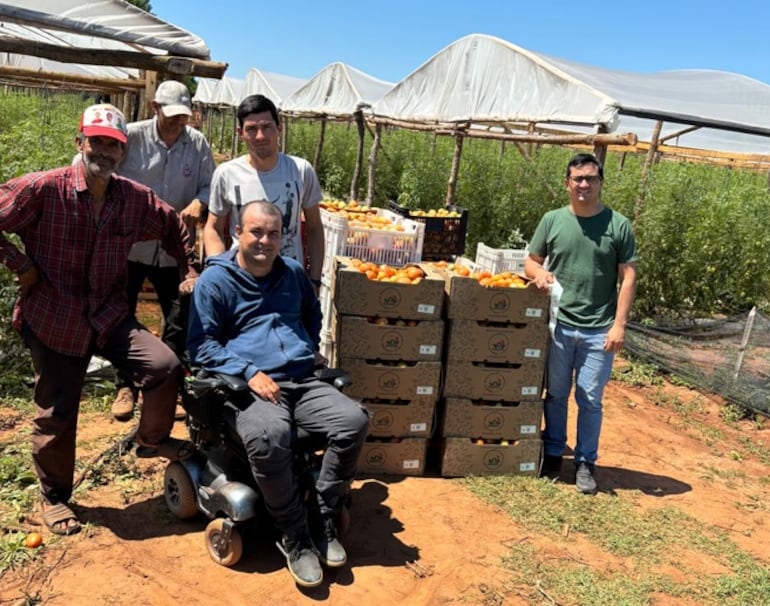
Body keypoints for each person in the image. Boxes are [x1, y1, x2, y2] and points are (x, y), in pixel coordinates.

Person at [0, 103, 198, 535]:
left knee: (164, 367)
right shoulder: (43, 189)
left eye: (114, 145)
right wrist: (20, 264)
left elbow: (174, 225)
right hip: (55, 315)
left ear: (122, 152)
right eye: (97, 142)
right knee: (57, 411)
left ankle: (151, 439)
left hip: (108, 314)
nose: (104, 151)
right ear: (80, 143)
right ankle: (54, 497)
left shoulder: (132, 197)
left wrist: (189, 270)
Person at [188, 201, 368, 588]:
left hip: (302, 379)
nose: (264, 241)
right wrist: (248, 371)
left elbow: (310, 315)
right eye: (256, 232)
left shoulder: (292, 273)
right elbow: (201, 346)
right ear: (237, 231)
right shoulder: (215, 282)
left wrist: (304, 346)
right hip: (252, 388)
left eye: (273, 234)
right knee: (271, 437)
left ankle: (322, 513)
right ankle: (294, 535)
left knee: (353, 422)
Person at [525, 153, 637, 495]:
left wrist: (619, 325)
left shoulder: (618, 225)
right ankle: (555, 452)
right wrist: (540, 273)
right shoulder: (553, 220)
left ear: (601, 182)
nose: (584, 184)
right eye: (578, 179)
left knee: (590, 397)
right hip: (558, 325)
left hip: (598, 329)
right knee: (556, 393)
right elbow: (530, 260)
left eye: (591, 178)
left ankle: (586, 462)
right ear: (568, 184)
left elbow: (628, 276)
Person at [110, 79, 215, 421]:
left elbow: (209, 184)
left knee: (178, 316)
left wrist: (200, 201)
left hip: (174, 249)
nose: (178, 122)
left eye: (184, 116)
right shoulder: (133, 137)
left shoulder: (196, 144)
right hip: (129, 244)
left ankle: (168, 386)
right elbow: (98, 165)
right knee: (122, 313)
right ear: (155, 108)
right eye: (171, 116)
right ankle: (125, 384)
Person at [202, 94, 325, 289]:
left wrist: (314, 280)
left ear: (279, 128)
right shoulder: (227, 174)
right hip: (241, 283)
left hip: (288, 284)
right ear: (240, 133)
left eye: (267, 127)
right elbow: (213, 228)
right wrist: (221, 271)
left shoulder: (300, 171)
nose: (260, 136)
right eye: (251, 129)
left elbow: (315, 228)